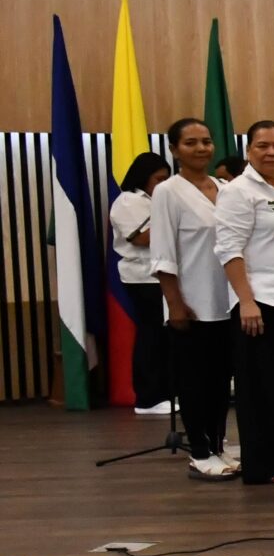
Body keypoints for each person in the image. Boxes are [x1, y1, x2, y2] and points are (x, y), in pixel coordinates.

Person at [216, 120, 274, 484]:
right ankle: (264, 464)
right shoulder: (238, 191)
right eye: (262, 146)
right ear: (248, 150)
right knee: (261, 389)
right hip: (259, 301)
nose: (272, 152)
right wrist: (246, 301)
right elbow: (228, 248)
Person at [150, 118, 235, 480]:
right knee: (194, 381)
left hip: (228, 301)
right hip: (192, 303)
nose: (201, 148)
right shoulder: (168, 191)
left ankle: (217, 443)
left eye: (206, 141)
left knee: (221, 380)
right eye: (191, 143)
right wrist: (175, 303)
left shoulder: (226, 187)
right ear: (173, 150)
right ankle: (199, 451)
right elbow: (163, 253)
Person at [110, 151, 174, 416]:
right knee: (151, 334)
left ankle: (166, 392)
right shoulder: (129, 201)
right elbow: (141, 238)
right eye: (158, 179)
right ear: (143, 178)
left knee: (165, 336)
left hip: (165, 274)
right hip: (143, 276)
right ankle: (147, 397)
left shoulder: (157, 201)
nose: (162, 184)